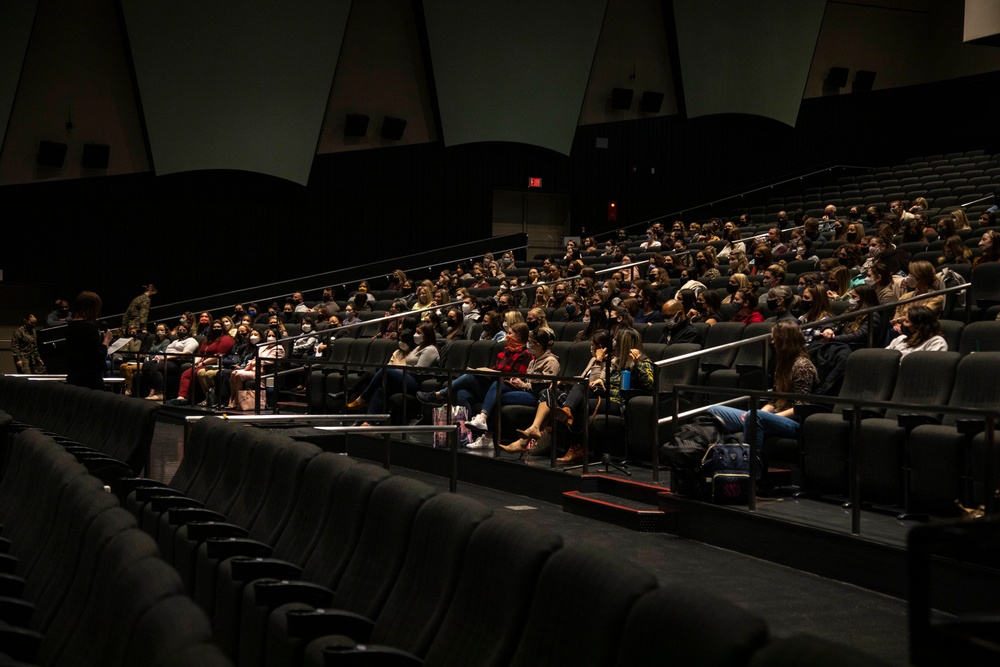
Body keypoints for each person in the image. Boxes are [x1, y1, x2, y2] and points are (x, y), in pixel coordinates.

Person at [514, 327, 653, 463]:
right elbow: (602, 380)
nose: (614, 342)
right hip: (602, 395)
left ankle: (574, 444)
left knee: (579, 398)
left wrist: (638, 363)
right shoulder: (617, 363)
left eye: (617, 340)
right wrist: (601, 380)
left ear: (625, 343)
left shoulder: (642, 362)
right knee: (551, 393)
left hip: (618, 403)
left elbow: (651, 385)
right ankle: (557, 427)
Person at [416, 322, 534, 448]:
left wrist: (496, 374)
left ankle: (440, 395)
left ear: (519, 336)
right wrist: (487, 373)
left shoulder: (526, 354)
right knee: (463, 393)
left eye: (510, 333)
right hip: (496, 383)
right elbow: (495, 369)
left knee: (470, 377)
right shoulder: (504, 352)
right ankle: (465, 434)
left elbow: (517, 376)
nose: (507, 336)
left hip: (510, 387)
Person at [708, 321, 818, 451]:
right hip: (774, 416)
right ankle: (723, 457)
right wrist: (757, 413)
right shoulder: (782, 364)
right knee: (714, 410)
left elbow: (801, 406)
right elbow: (774, 400)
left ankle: (750, 465)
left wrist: (766, 417)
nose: (772, 342)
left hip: (795, 422)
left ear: (785, 341)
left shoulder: (802, 366)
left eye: (775, 338)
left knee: (754, 417)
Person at [465, 326, 561, 449]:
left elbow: (545, 386)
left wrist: (523, 384)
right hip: (526, 391)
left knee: (496, 395)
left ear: (537, 345)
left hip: (537, 397)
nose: (528, 345)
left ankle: (485, 428)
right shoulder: (533, 361)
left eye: (530, 343)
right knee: (497, 393)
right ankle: (486, 432)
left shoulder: (550, 361)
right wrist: (518, 382)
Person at [348, 324, 440, 417]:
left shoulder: (430, 349)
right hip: (406, 376)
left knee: (386, 370)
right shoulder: (418, 347)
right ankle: (370, 420)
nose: (415, 335)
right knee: (382, 387)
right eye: (416, 332)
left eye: (419, 333)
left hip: (416, 381)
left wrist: (399, 370)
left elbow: (419, 370)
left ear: (427, 335)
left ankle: (363, 398)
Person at [168, 319, 235, 406]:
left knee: (194, 373)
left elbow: (218, 355)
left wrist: (203, 364)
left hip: (214, 363)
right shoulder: (209, 340)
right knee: (186, 374)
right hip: (202, 363)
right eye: (214, 327)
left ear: (223, 328)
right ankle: (181, 397)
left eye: (218, 327)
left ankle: (191, 398)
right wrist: (196, 363)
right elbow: (200, 354)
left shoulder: (226, 339)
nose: (216, 329)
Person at [65, 291, 114, 390]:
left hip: (74, 377)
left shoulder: (70, 325)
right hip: (90, 380)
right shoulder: (89, 326)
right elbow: (98, 355)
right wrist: (106, 340)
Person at [226, 329, 285, 410]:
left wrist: (251, 365)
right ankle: (233, 398)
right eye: (269, 336)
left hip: (262, 371)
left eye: (273, 336)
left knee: (238, 375)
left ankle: (235, 400)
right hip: (252, 368)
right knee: (233, 373)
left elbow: (265, 360)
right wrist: (249, 364)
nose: (270, 338)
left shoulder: (279, 349)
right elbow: (254, 358)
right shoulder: (263, 346)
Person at [143, 322, 199, 401]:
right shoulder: (175, 341)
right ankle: (152, 389)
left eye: (184, 330)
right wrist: (160, 356)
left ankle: (160, 393)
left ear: (188, 331)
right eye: (180, 330)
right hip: (166, 358)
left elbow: (186, 353)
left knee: (155, 367)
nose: (181, 331)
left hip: (178, 361)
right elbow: (167, 351)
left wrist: (168, 357)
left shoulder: (191, 340)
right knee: (146, 365)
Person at [890, 260, 943, 337]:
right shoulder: (905, 297)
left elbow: (920, 316)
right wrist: (897, 324)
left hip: (923, 333)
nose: (908, 276)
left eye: (911, 274)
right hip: (901, 331)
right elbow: (897, 315)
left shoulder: (936, 298)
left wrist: (900, 320)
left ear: (921, 277)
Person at [819, 284, 882, 349]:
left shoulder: (873, 315)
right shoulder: (852, 309)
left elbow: (859, 336)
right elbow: (836, 320)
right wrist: (827, 328)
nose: (850, 300)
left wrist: (833, 338)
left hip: (855, 347)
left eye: (854, 297)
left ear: (864, 299)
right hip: (842, 343)